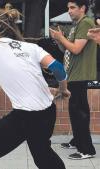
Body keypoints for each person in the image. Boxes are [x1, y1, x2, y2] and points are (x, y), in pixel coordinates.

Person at [0, 8, 69, 169]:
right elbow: (58, 67)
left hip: (25, 117)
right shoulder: (30, 47)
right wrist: (63, 89)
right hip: (48, 112)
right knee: (43, 154)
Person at [50, 0, 97, 160]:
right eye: (68, 8)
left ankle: (87, 150)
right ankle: (77, 140)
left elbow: (76, 49)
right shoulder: (77, 24)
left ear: (82, 8)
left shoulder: (86, 23)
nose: (69, 11)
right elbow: (68, 49)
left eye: (72, 7)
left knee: (79, 112)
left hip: (80, 74)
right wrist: (59, 39)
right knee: (76, 110)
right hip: (74, 74)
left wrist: (60, 38)